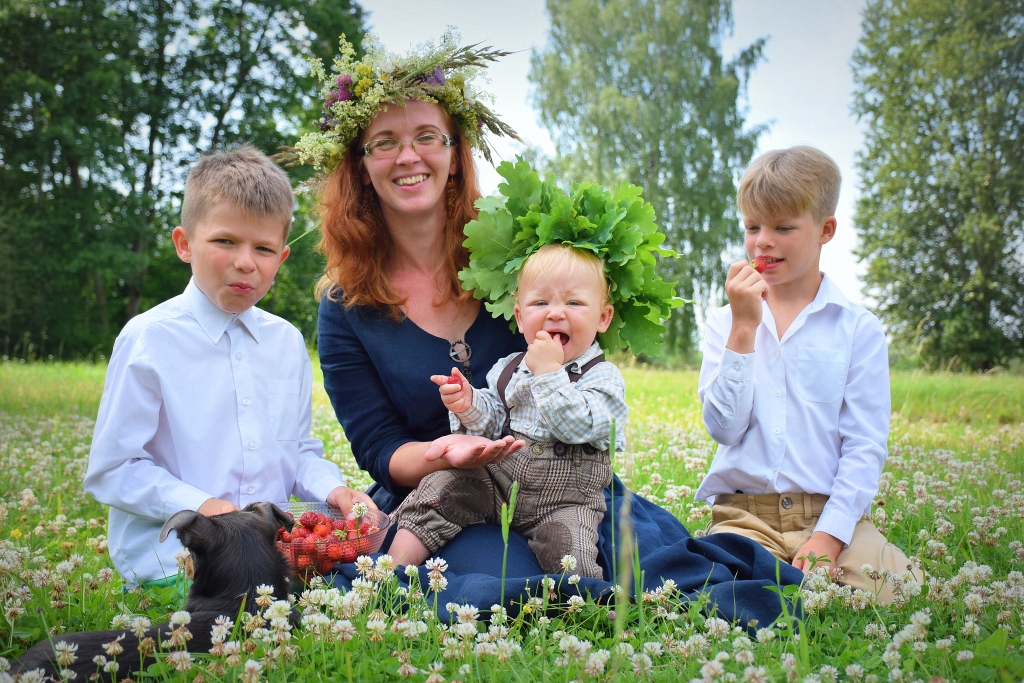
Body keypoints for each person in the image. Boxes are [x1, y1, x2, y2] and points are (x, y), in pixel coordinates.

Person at [305, 31, 803, 627]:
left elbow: (584, 343)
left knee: (642, 572)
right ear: (360, 166)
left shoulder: (522, 257)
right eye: (383, 143)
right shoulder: (345, 304)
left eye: (427, 137)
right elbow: (380, 448)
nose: (408, 157)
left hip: (565, 481)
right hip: (450, 490)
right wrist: (446, 450)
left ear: (455, 150)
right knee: (498, 584)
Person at [84, 147, 374, 589]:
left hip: (269, 551)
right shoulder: (151, 338)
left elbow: (296, 452)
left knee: (371, 577)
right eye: (225, 241)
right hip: (173, 557)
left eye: (263, 248)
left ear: (281, 259)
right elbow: (114, 468)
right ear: (185, 243)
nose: (245, 262)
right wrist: (203, 505)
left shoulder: (286, 342)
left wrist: (333, 491)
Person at [696, 145, 921, 604]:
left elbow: (864, 444)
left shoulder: (858, 328)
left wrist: (831, 537)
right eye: (752, 227)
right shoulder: (725, 322)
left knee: (899, 592)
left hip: (829, 515)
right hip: (745, 516)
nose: (763, 241)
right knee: (715, 592)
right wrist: (743, 327)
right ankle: (767, 582)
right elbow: (723, 427)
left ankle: (806, 574)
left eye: (783, 227)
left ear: (826, 230)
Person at [388, 244, 627, 577]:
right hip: (501, 482)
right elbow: (495, 420)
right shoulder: (510, 368)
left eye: (574, 303)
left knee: (571, 554)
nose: (555, 313)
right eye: (540, 303)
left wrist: (549, 374)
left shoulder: (604, 377)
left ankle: (578, 610)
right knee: (440, 489)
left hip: (566, 503)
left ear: (603, 317)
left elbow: (579, 426)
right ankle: (387, 574)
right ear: (519, 316)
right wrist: (469, 404)